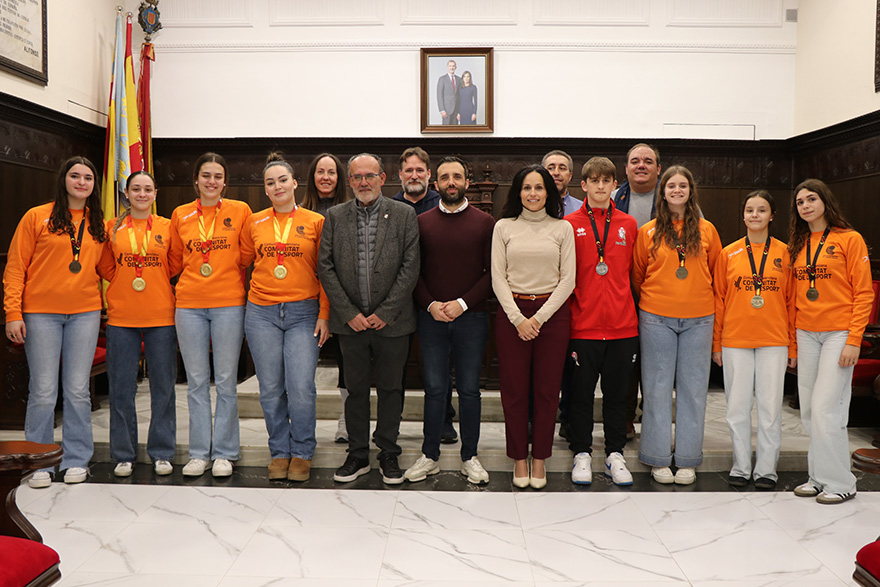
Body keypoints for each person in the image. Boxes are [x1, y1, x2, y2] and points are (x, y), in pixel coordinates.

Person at [4, 156, 109, 487]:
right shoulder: (37, 216)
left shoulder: (98, 223)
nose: (81, 182)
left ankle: (77, 458)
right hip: (40, 314)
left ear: (94, 185)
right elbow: (16, 267)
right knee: (43, 390)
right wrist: (12, 313)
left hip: (85, 313)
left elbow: (109, 270)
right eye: (75, 176)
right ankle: (39, 462)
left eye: (88, 178)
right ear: (64, 179)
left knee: (78, 390)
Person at [318, 153, 420, 485]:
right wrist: (350, 314)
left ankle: (388, 451)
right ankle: (358, 454)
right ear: (349, 181)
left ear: (382, 177)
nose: (364, 182)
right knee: (356, 389)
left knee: (392, 389)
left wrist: (384, 313)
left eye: (370, 176)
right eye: (357, 177)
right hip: (351, 324)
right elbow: (326, 267)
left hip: (394, 322)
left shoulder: (404, 215)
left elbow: (410, 267)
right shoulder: (335, 216)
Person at [404, 156, 495, 485]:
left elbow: (491, 274)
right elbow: (412, 271)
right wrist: (430, 305)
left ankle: (469, 456)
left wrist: (461, 303)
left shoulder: (485, 223)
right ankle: (430, 455)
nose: (451, 182)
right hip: (430, 320)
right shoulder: (421, 222)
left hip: (472, 318)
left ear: (467, 182)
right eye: (445, 177)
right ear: (435, 183)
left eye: (457, 176)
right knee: (435, 389)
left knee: (470, 390)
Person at [241, 153, 330, 482]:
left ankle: (303, 450)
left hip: (303, 312)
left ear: (295, 183)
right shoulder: (255, 222)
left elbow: (326, 273)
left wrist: (324, 314)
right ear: (265, 189)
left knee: (301, 386)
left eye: (282, 180)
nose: (277, 186)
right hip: (261, 312)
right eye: (270, 182)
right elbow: (242, 262)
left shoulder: (315, 221)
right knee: (270, 388)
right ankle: (279, 450)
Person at [632, 165, 721, 485]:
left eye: (683, 185)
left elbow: (716, 274)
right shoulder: (649, 231)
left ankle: (686, 459)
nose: (677, 190)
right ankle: (657, 457)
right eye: (671, 186)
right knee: (655, 389)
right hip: (656, 317)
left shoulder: (708, 230)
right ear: (663, 191)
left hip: (700, 319)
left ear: (690, 191)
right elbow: (638, 275)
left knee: (694, 391)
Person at [788, 178, 872, 504]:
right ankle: (817, 477)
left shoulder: (849, 240)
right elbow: (794, 298)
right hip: (807, 333)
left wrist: (854, 339)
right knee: (810, 410)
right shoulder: (799, 243)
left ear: (825, 201)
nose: (806, 205)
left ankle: (841, 482)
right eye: (800, 202)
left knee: (827, 409)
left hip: (839, 333)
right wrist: (794, 345)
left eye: (811, 199)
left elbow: (863, 293)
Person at [169, 152, 252, 478]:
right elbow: (174, 260)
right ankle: (199, 453)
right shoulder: (181, 214)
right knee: (197, 383)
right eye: (206, 175)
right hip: (188, 305)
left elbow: (245, 255)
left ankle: (225, 453)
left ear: (225, 182)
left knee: (227, 382)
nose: (212, 181)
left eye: (218, 176)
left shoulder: (240, 211)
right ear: (196, 180)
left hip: (229, 303)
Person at [492, 164, 575, 489]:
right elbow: (498, 277)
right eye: (527, 187)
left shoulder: (562, 229)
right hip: (512, 313)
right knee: (513, 392)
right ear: (518, 192)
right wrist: (518, 318)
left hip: (551, 317)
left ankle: (539, 457)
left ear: (548, 192)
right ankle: (520, 459)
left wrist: (538, 318)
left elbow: (568, 280)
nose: (533, 194)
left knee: (546, 391)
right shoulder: (504, 227)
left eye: (539, 188)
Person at [712, 191, 796, 490]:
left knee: (771, 408)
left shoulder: (787, 253)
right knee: (737, 407)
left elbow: (792, 301)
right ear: (743, 215)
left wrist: (793, 345)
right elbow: (719, 299)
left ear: (772, 215)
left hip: (774, 340)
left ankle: (766, 469)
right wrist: (717, 343)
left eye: (762, 210)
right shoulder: (729, 253)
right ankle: (741, 465)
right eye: (750, 210)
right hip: (735, 339)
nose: (755, 215)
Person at [564, 157, 638, 486]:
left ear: (614, 185)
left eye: (606, 181)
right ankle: (581, 452)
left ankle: (614, 454)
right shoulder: (569, 223)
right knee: (579, 395)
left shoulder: (628, 224)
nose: (599, 186)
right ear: (583, 185)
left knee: (617, 395)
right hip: (583, 325)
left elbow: (635, 276)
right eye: (593, 180)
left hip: (623, 326)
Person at [101, 171, 178, 479]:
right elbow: (105, 264)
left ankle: (161, 452)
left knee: (163, 388)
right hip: (122, 317)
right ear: (127, 194)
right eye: (136, 189)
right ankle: (123, 453)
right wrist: (125, 278)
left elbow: (175, 262)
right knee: (121, 388)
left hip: (161, 316)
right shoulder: (112, 228)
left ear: (155, 194)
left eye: (148, 189)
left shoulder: (168, 227)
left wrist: (151, 277)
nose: (142, 194)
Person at [391, 146, 456, 443]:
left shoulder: (442, 202)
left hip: (436, 298)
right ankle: (393, 423)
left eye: (420, 170)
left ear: (430, 175)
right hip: (399, 300)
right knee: (396, 365)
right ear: (399, 175)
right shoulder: (388, 206)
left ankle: (444, 420)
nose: (414, 175)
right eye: (408, 170)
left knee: (441, 366)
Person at [613, 143, 662, 440]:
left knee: (656, 361)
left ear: (658, 168)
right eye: (635, 161)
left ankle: (654, 423)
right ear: (626, 168)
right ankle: (626, 417)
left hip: (662, 290)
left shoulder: (674, 196)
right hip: (624, 289)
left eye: (648, 161)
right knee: (626, 361)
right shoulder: (615, 197)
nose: (641, 165)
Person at [303, 152, 350, 443]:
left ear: (339, 177)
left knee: (347, 364)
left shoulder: (349, 209)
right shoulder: (299, 211)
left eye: (331, 172)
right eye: (320, 172)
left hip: (342, 299)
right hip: (308, 298)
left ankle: (346, 422)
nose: (325, 177)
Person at [392, 146, 440, 214]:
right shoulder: (391, 207)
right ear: (400, 174)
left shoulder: (440, 205)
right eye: (409, 171)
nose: (414, 176)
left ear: (428, 174)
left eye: (419, 170)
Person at [542, 150, 583, 217]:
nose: (556, 173)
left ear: (570, 176)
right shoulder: (533, 207)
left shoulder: (581, 209)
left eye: (562, 168)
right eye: (551, 168)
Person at [437, 59, 461, 125]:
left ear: (455, 67)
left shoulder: (459, 79)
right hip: (446, 110)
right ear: (447, 67)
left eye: (453, 66)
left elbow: (460, 95)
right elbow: (439, 95)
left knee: (455, 131)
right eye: (450, 66)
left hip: (456, 110)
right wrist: (442, 110)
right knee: (446, 131)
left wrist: (460, 111)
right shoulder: (442, 79)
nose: (452, 68)